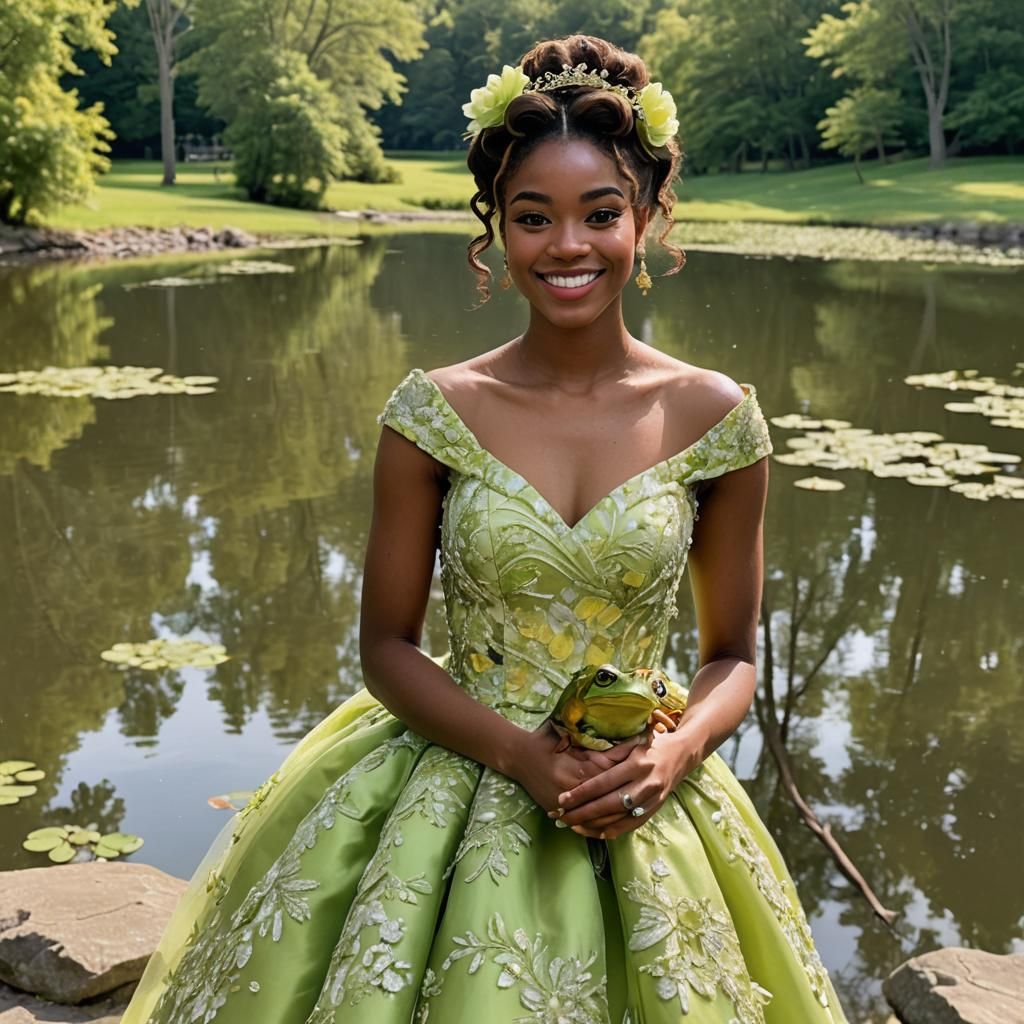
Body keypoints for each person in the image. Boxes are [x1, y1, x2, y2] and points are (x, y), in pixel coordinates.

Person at [122, 33, 850, 1024]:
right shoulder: (433, 413)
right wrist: (518, 753)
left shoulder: (717, 418)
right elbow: (385, 647)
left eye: (600, 214)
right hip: (457, 763)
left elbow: (731, 657)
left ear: (644, 218)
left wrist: (673, 759)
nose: (567, 246)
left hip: (640, 787)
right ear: (494, 231)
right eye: (532, 217)